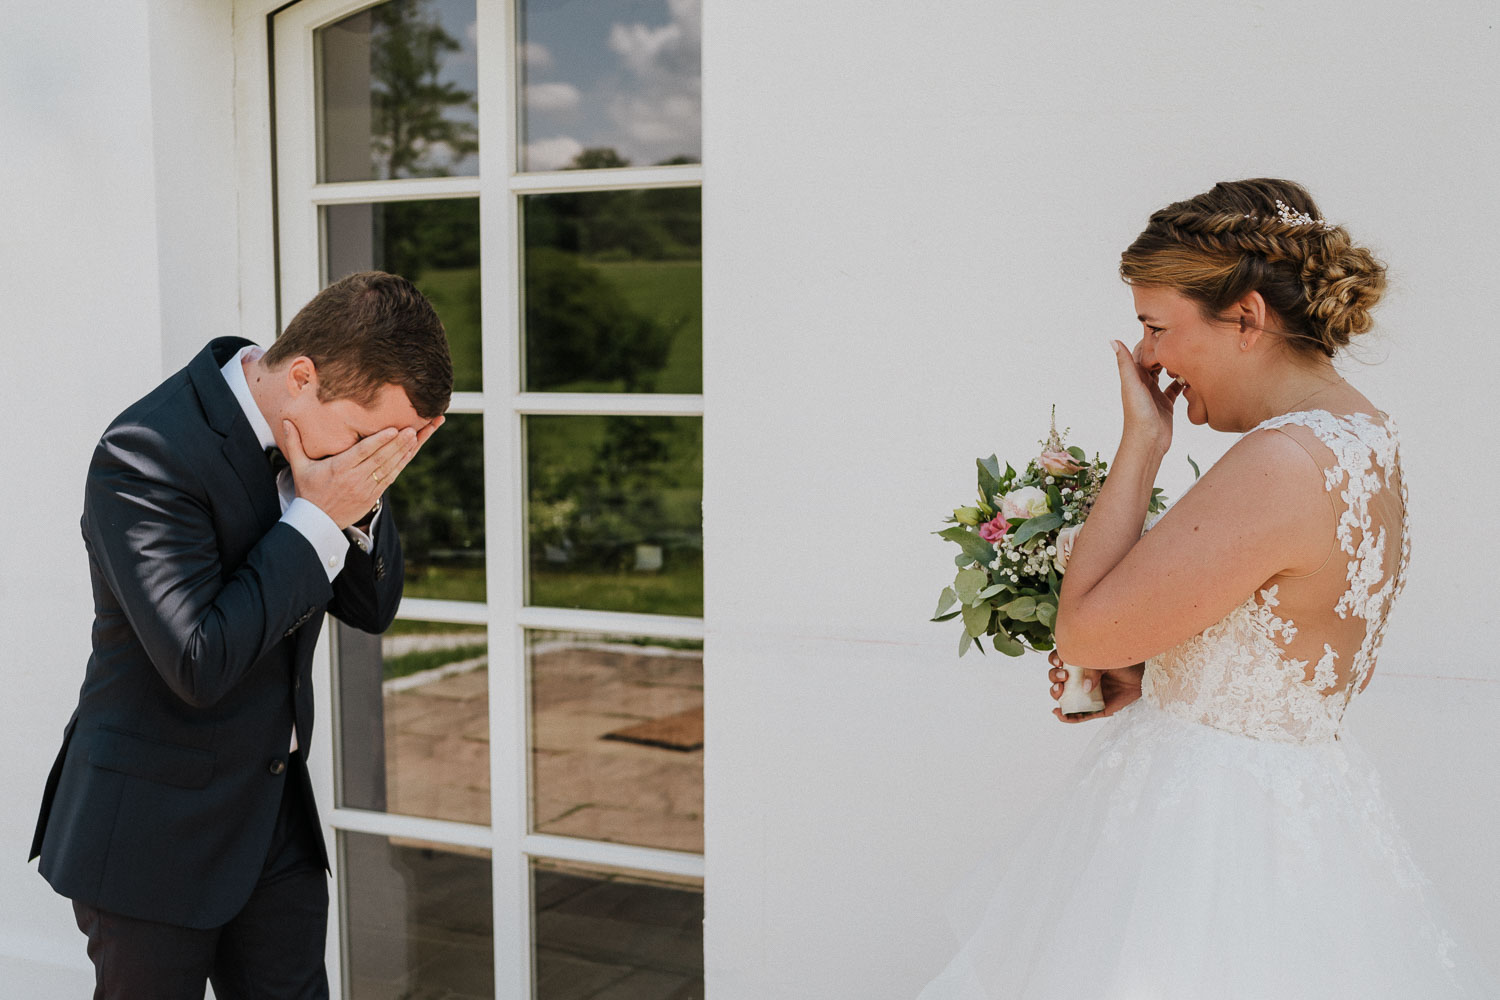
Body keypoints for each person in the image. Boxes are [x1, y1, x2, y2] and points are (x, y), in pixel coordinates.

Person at [917, 180, 1497, 998]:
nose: (1148, 357)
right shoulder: (1365, 436)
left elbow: (1081, 634)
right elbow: (1309, 649)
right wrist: (1169, 670)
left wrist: (1142, 444)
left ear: (1247, 318)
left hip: (1213, 842)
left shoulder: (1282, 462)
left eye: (1157, 327)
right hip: (1304, 812)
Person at [29, 270, 452, 999]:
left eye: (388, 454)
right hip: (150, 833)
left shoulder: (328, 451)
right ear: (302, 376)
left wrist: (359, 505)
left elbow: (370, 607)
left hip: (272, 817)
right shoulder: (145, 452)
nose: (367, 465)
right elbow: (198, 659)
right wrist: (316, 519)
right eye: (363, 440)